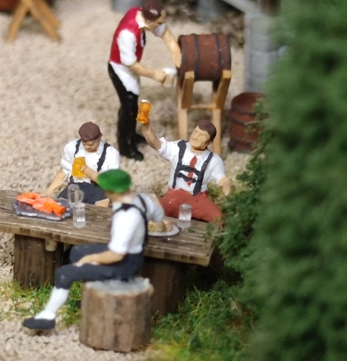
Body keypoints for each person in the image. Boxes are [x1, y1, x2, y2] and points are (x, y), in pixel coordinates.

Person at [23, 169, 164, 331]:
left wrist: (89, 260)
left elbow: (116, 255)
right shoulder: (143, 199)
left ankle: (47, 317)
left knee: (64, 273)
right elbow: (159, 216)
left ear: (111, 192)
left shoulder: (125, 217)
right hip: (131, 252)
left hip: (124, 263)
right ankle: (89, 295)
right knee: (77, 252)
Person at [108, 2, 182, 160]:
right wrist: (155, 75)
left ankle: (131, 135)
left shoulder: (142, 14)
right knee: (129, 107)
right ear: (149, 22)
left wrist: (176, 52)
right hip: (120, 69)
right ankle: (126, 146)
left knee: (131, 106)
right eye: (159, 22)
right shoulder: (128, 34)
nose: (161, 25)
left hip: (130, 68)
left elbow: (165, 33)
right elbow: (132, 65)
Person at [142, 116, 233, 223]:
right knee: (151, 213)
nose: (195, 137)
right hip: (174, 197)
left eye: (201, 136)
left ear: (209, 142)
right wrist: (146, 126)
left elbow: (222, 179)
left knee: (219, 220)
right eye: (195, 132)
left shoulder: (214, 160)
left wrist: (227, 187)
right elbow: (155, 143)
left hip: (198, 200)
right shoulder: (178, 148)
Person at [44, 122, 120, 206]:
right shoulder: (73, 147)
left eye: (91, 144)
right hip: (76, 186)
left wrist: (86, 170)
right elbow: (63, 172)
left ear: (99, 138)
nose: (87, 147)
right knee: (60, 206)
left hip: (98, 189)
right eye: (84, 144)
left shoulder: (110, 154)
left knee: (100, 208)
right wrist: (48, 192)